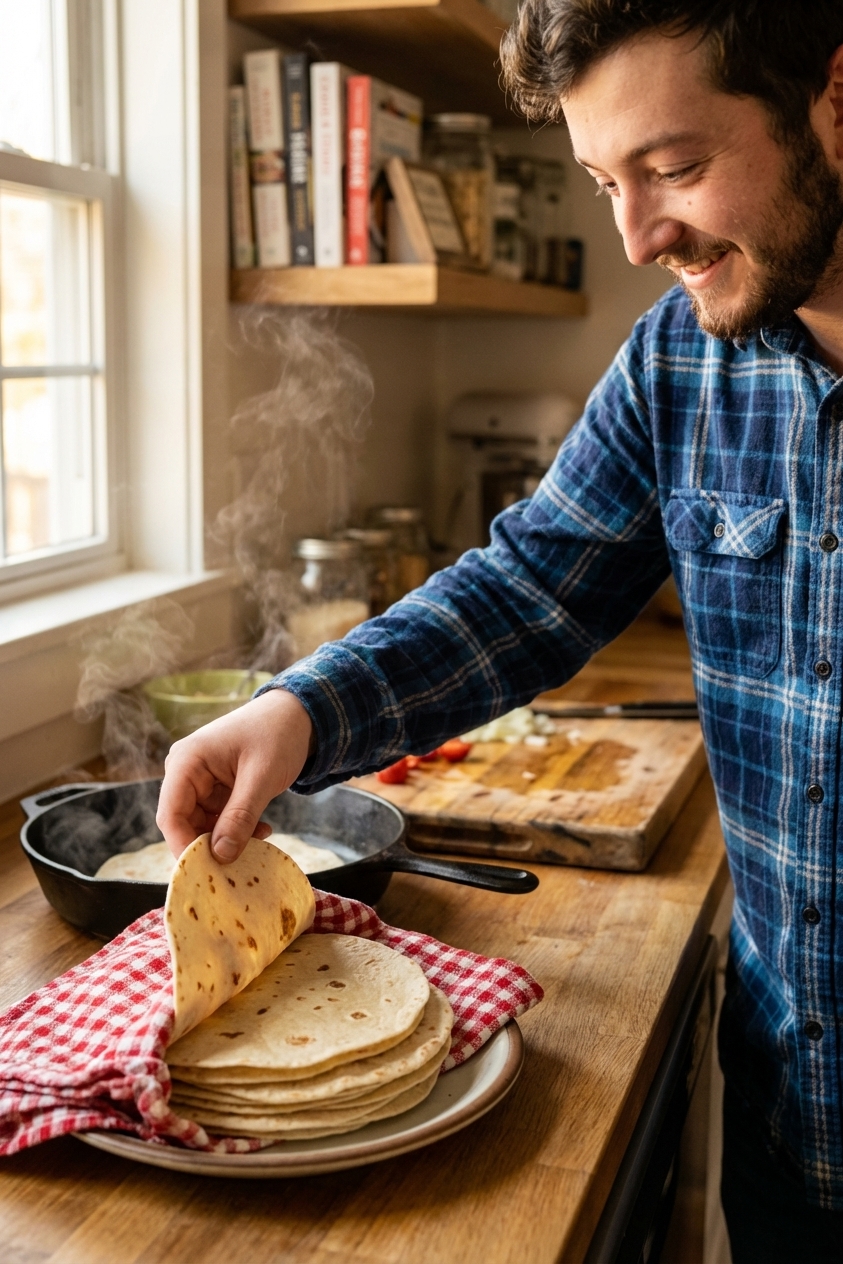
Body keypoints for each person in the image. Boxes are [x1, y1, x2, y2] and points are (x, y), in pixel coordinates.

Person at [158, 2, 843, 1257]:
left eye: (676, 169)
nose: (636, 237)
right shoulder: (677, 366)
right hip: (798, 1122)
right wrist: (298, 710)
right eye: (603, 181)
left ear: (834, 98)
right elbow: (530, 586)